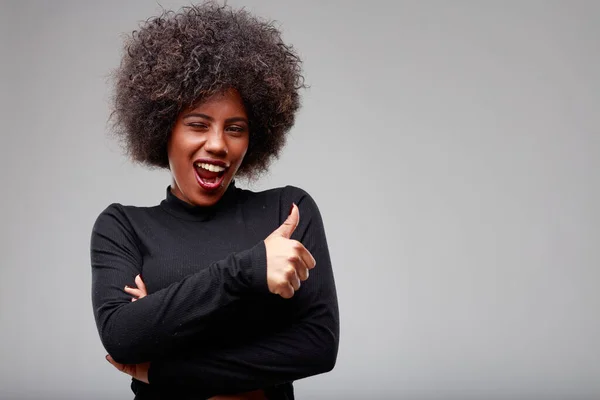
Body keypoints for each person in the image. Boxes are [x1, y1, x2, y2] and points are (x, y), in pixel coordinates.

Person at [89, 2, 339, 399]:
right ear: (163, 128)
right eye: (198, 124)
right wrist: (252, 269)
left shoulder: (287, 212)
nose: (218, 144)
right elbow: (122, 335)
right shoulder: (123, 226)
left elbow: (317, 347)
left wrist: (168, 364)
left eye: (235, 128)